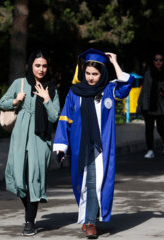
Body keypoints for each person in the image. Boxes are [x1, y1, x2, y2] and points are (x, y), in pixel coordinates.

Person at [53, 49, 135, 239]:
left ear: (102, 74)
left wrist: (114, 62)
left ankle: (90, 222)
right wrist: (60, 146)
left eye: (95, 74)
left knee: (94, 182)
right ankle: (88, 216)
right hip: (79, 143)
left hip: (101, 146)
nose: (91, 78)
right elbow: (65, 119)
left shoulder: (109, 90)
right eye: (88, 73)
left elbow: (127, 83)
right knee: (80, 184)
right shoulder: (74, 93)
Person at [0, 50, 60, 236]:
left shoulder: (51, 88)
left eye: (44, 66)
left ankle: (29, 221)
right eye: (37, 65)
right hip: (20, 137)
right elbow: (3, 102)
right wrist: (16, 100)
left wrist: (47, 99)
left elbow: (55, 116)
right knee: (20, 179)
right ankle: (29, 214)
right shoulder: (20, 83)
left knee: (34, 179)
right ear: (31, 65)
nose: (41, 69)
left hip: (40, 139)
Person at [137, 53, 164, 158]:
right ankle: (150, 150)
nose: (158, 62)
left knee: (161, 128)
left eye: (161, 60)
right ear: (153, 61)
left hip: (162, 106)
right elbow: (144, 90)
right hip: (148, 106)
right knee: (149, 129)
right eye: (156, 59)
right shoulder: (148, 73)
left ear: (163, 62)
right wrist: (140, 104)